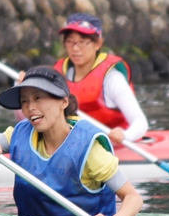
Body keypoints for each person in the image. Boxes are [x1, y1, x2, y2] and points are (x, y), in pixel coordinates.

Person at [0, 66, 143, 216]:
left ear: (63, 102)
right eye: (24, 101)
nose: (30, 107)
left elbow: (133, 197)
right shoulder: (19, 133)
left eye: (38, 98)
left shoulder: (89, 148)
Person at [54, 13, 148, 144]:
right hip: (74, 143)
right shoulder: (59, 75)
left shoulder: (112, 79)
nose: (75, 48)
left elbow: (140, 121)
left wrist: (125, 135)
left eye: (82, 42)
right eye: (70, 41)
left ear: (97, 44)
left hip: (114, 145)